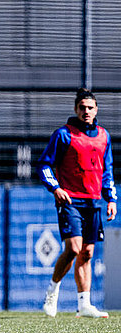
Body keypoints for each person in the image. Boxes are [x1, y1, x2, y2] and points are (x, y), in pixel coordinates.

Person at [37, 88, 117, 318]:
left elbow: (107, 170)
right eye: (82, 107)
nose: (86, 111)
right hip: (70, 200)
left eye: (90, 107)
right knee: (73, 248)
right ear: (75, 109)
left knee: (88, 253)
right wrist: (56, 188)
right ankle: (52, 291)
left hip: (93, 202)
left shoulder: (103, 136)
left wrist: (111, 198)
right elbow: (43, 165)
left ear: (96, 110)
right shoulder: (63, 135)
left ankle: (84, 304)